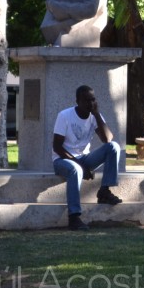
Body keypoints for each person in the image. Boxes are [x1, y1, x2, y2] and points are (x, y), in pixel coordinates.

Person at [52, 85, 123, 231]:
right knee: (76, 170)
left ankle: (104, 191)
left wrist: (96, 115)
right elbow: (57, 147)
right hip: (62, 160)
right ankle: (74, 217)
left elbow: (107, 139)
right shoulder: (65, 116)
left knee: (114, 147)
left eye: (93, 100)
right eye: (86, 100)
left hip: (84, 158)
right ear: (77, 101)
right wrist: (81, 166)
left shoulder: (94, 115)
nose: (90, 103)